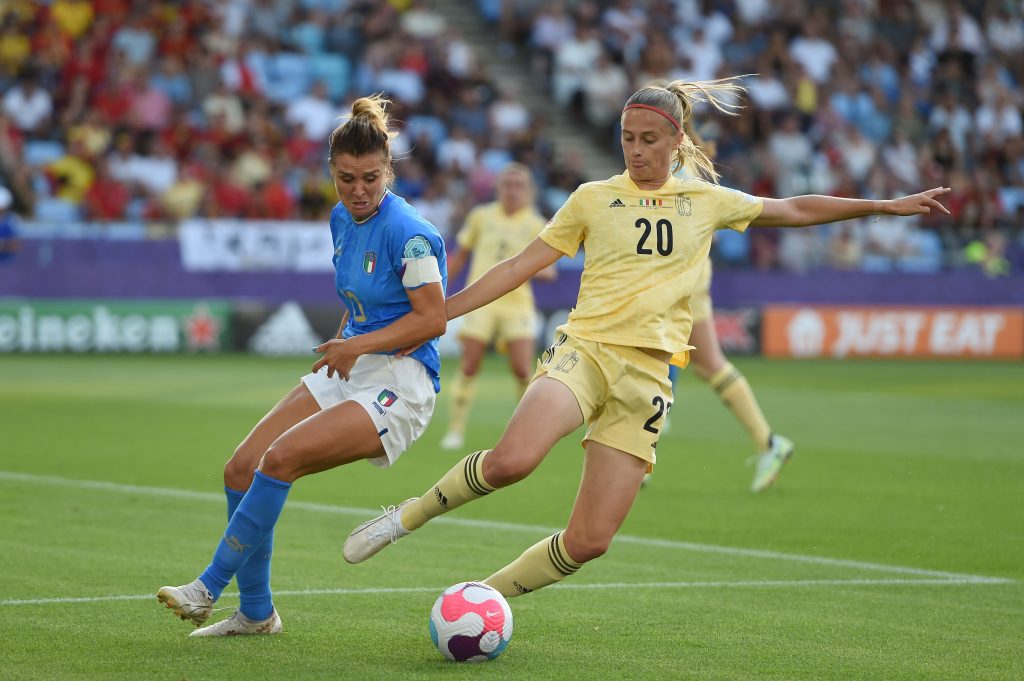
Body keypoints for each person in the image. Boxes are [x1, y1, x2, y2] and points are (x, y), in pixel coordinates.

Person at [343, 79, 949, 601]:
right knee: (512, 462)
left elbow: (792, 209)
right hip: (586, 350)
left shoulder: (707, 201)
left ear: (679, 140)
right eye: (627, 138)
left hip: (650, 377)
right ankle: (405, 517)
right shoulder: (593, 199)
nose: (635, 149)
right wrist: (440, 314)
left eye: (648, 139)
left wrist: (881, 206)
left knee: (589, 541)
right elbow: (514, 268)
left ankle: (480, 598)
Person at [156, 95, 448, 636]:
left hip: (401, 384)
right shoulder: (341, 218)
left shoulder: (410, 233)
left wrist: (357, 347)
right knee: (240, 468)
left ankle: (206, 588)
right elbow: (361, 298)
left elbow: (433, 321)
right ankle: (256, 614)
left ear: (389, 170)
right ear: (329, 173)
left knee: (279, 458)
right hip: (352, 364)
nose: (357, 191)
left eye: (369, 178)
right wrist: (344, 341)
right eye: (345, 179)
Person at [648, 121, 794, 493]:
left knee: (652, 354)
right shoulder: (692, 159)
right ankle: (767, 442)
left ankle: (643, 451)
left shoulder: (672, 164)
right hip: (690, 271)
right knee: (704, 362)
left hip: (678, 273)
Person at [440, 162, 554, 451]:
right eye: (508, 185)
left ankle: (528, 433)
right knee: (470, 364)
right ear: (498, 188)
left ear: (529, 191)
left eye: (519, 186)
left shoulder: (536, 223)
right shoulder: (481, 216)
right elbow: (460, 255)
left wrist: (521, 268)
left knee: (521, 369)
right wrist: (441, 290)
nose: (513, 191)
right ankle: (455, 430)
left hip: (517, 305)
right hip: (481, 302)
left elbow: (550, 271)